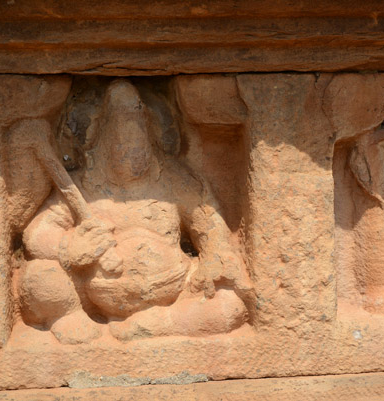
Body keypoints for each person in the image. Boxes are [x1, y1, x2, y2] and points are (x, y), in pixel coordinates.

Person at [18, 79, 252, 343]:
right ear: (99, 141)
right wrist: (69, 247)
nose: (130, 149)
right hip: (95, 291)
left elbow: (209, 223)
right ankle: (70, 317)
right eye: (118, 140)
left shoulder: (174, 180)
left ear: (153, 136)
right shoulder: (80, 187)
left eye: (138, 137)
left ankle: (158, 325)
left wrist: (215, 256)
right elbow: (36, 234)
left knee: (230, 306)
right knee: (38, 278)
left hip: (173, 287)